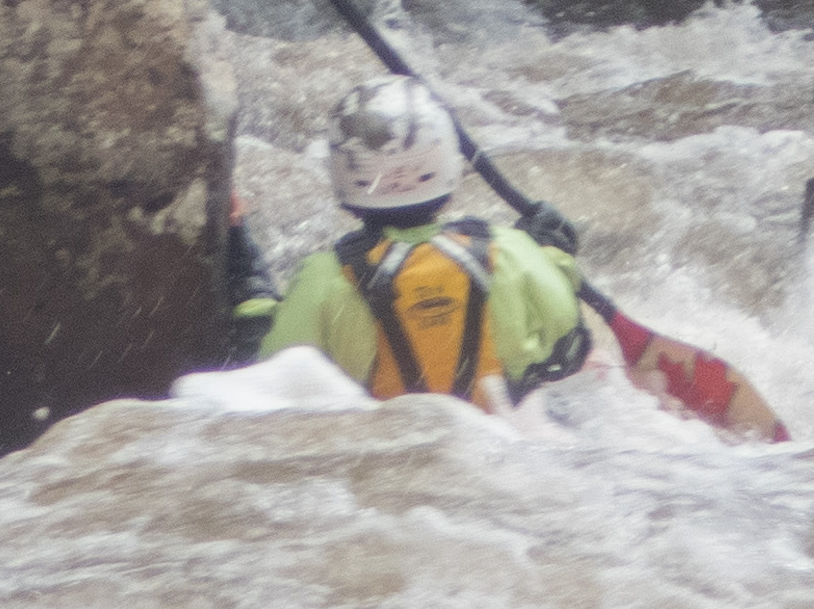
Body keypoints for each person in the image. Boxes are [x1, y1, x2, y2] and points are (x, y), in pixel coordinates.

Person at [228, 76, 591, 405]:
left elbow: (271, 370)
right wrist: (552, 251)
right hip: (501, 439)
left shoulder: (324, 278)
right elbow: (571, 341)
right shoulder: (510, 251)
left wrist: (246, 269)